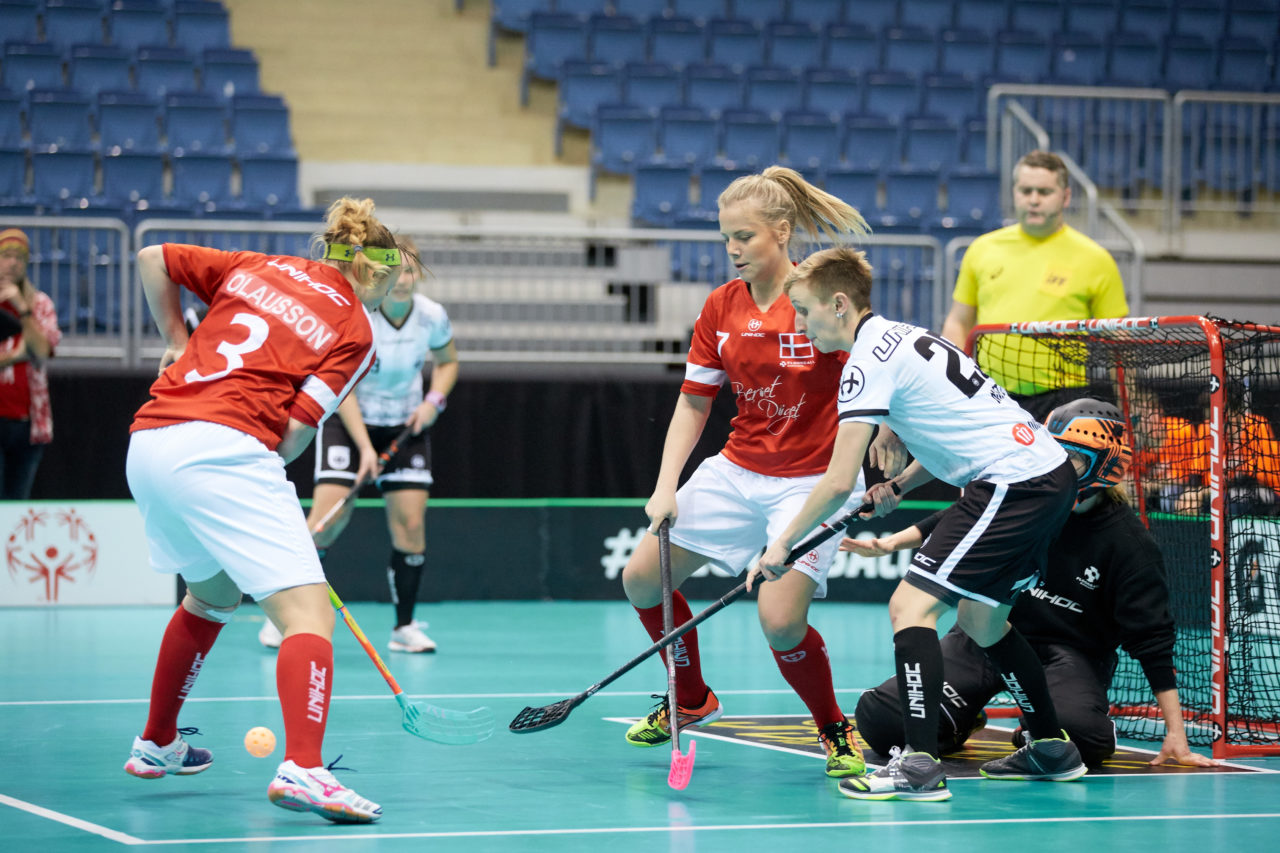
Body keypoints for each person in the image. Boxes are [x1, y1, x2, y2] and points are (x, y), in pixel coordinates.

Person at [752, 246, 1086, 803]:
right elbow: (954, 430)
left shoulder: (864, 363)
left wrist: (780, 545)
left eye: (805, 311)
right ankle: (1053, 748)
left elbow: (837, 482)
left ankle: (919, 765)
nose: (800, 323)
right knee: (983, 620)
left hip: (1011, 482)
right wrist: (899, 487)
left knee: (910, 606)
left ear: (839, 304)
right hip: (1044, 474)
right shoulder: (906, 336)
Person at [122, 198, 404, 823]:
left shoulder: (258, 264)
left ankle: (157, 742)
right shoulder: (357, 329)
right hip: (225, 449)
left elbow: (151, 258)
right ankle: (304, 768)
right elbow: (296, 437)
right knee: (307, 616)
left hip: (150, 440)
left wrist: (177, 340)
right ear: (374, 272)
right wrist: (250, 475)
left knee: (213, 594)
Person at [620, 165, 905, 779]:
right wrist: (666, 484)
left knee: (780, 621)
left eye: (743, 237)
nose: (732, 250)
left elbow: (886, 364)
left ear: (781, 232)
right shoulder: (721, 305)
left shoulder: (819, 300)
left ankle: (833, 727)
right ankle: (690, 697)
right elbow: (694, 401)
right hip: (737, 467)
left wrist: (887, 428)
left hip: (813, 478)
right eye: (726, 238)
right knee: (642, 578)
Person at [850, 398, 1219, 771]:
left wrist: (1177, 733)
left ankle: (1035, 730)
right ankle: (959, 721)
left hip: (1068, 653)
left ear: (1105, 465)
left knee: (1078, 740)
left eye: (1071, 458)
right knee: (882, 720)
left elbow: (1152, 641)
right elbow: (963, 516)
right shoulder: (1025, 495)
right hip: (983, 637)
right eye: (1050, 451)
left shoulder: (1128, 544)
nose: (1054, 465)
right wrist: (891, 542)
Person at [258, 235, 458, 653]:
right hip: (348, 426)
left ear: (418, 273)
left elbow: (447, 362)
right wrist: (365, 448)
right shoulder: (360, 317)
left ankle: (404, 629)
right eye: (394, 271)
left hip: (405, 427)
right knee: (327, 521)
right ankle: (284, 618)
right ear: (379, 274)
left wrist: (433, 403)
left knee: (411, 528)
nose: (402, 279)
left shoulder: (431, 316)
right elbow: (342, 387)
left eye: (410, 270)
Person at [940, 150, 1129, 421]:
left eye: (1044, 191)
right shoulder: (982, 249)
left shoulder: (1096, 259)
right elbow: (958, 321)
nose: (1033, 200)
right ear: (1014, 193)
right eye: (1026, 190)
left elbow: (1119, 343)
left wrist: (1135, 406)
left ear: (1065, 196)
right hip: (992, 397)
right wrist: (949, 384)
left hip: (1067, 400)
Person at [0, 227, 60, 500]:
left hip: (28, 424)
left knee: (16, 509)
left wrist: (21, 308)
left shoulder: (40, 304)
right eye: (6, 255)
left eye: (19, 257)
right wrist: (19, 353)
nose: (13, 262)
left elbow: (40, 350)